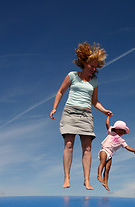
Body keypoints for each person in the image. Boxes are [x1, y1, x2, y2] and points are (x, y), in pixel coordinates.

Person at [50, 42, 112, 190]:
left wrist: (104, 111)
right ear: (84, 63)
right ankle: (66, 178)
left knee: (88, 148)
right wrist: (54, 108)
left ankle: (87, 180)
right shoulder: (72, 76)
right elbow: (60, 92)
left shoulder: (94, 82)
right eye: (92, 65)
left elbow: (95, 101)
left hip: (86, 115)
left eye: (96, 66)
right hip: (70, 112)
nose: (93, 68)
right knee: (69, 145)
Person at [98, 115, 135, 191]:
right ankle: (99, 175)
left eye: (122, 131)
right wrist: (108, 116)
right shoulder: (111, 132)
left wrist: (134, 150)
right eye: (119, 129)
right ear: (116, 129)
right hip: (104, 150)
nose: (121, 131)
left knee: (107, 169)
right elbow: (107, 124)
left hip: (110, 154)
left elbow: (127, 147)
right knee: (102, 162)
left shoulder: (121, 140)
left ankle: (105, 183)